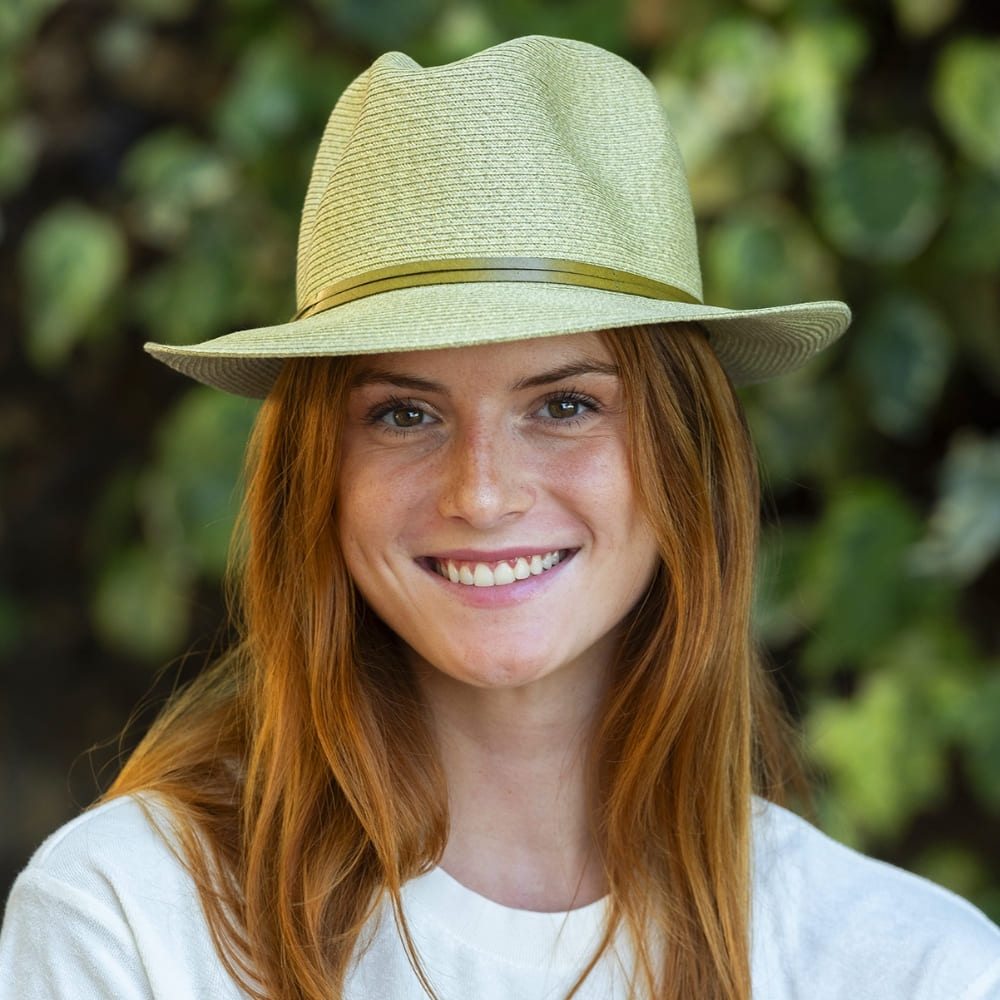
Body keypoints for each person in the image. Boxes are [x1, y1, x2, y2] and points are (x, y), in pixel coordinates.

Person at [1, 35, 998, 1000]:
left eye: (563, 404)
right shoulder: (129, 916)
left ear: (683, 451)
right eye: (404, 413)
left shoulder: (915, 969)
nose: (480, 492)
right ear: (318, 472)